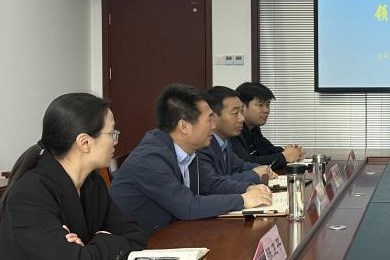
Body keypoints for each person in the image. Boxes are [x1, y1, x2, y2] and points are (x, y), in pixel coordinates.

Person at [0, 92, 147, 260]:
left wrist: (89, 247)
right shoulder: (29, 194)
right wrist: (103, 239)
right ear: (84, 142)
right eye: (112, 133)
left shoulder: (92, 183)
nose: (116, 141)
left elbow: (136, 236)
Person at [110, 84, 272, 234]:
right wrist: (242, 200)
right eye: (209, 120)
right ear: (184, 126)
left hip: (175, 233)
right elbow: (187, 206)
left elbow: (211, 184)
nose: (214, 126)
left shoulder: (187, 150)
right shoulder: (150, 159)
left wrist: (248, 188)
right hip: (141, 243)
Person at [198, 85, 273, 193]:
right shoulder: (202, 144)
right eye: (235, 113)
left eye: (242, 112)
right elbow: (212, 183)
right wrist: (255, 174)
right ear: (213, 116)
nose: (242, 118)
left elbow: (239, 166)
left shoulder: (225, 141)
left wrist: (264, 168)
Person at [233, 81, 303, 171]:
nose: (266, 110)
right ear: (242, 107)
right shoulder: (232, 130)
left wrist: (293, 151)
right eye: (260, 105)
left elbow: (268, 150)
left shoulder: (253, 128)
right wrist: (284, 156)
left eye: (267, 105)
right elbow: (246, 162)